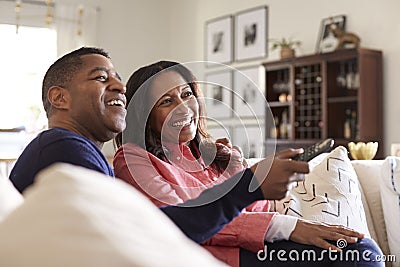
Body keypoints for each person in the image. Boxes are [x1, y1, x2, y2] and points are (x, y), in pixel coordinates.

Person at [9, 47, 310, 246]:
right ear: (60, 98)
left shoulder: (78, 152)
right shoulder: (64, 148)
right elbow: (153, 233)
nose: (120, 87)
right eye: (101, 78)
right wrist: (250, 186)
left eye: (119, 79)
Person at [113, 60, 383, 267]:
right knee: (361, 255)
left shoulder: (214, 155)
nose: (184, 108)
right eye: (167, 101)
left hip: (256, 247)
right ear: (145, 115)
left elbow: (256, 208)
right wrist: (289, 226)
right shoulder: (133, 159)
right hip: (222, 257)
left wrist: (237, 169)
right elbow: (187, 219)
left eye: (187, 95)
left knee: (364, 249)